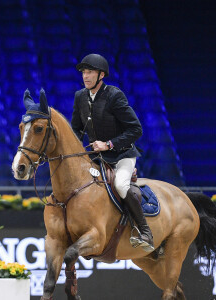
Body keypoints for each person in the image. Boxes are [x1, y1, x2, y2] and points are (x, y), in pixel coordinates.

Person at [71, 53, 154, 252]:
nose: (85, 76)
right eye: (84, 72)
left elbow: (136, 129)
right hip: (95, 157)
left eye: (90, 72)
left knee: (120, 185)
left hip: (121, 156)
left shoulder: (114, 95)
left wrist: (108, 144)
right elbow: (75, 129)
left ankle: (145, 232)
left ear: (101, 75)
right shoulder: (80, 96)